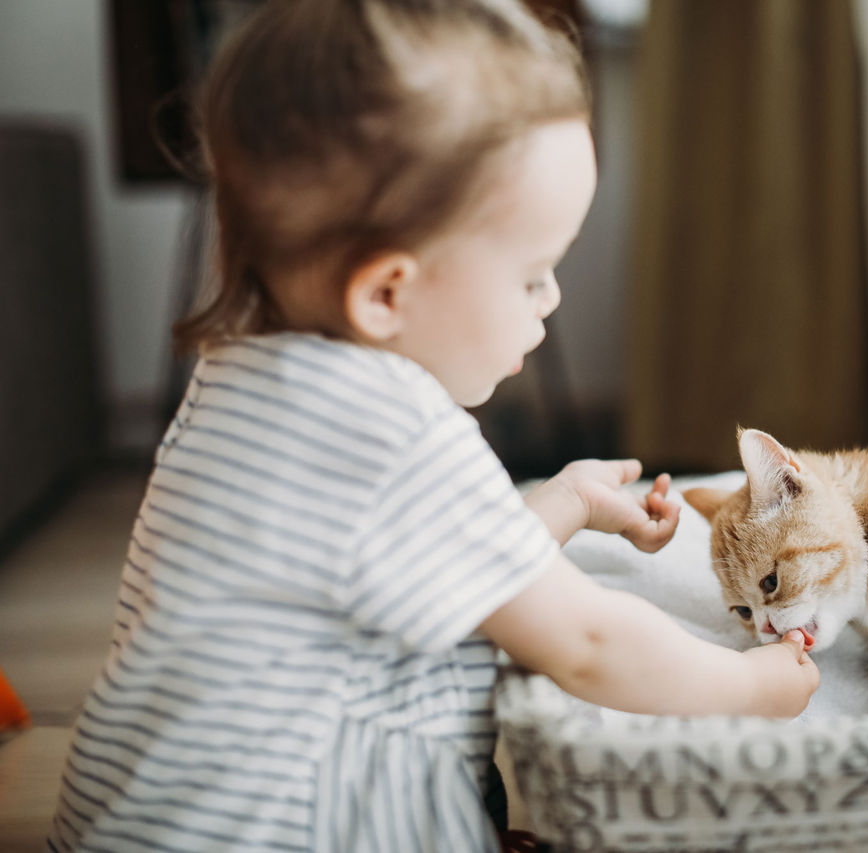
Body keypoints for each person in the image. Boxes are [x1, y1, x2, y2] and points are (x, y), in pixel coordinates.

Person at [48, 1, 819, 850]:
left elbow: (422, 570)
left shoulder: (238, 375)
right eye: (532, 276)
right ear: (386, 293)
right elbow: (590, 640)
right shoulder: (403, 436)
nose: (552, 299)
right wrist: (751, 685)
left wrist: (562, 503)